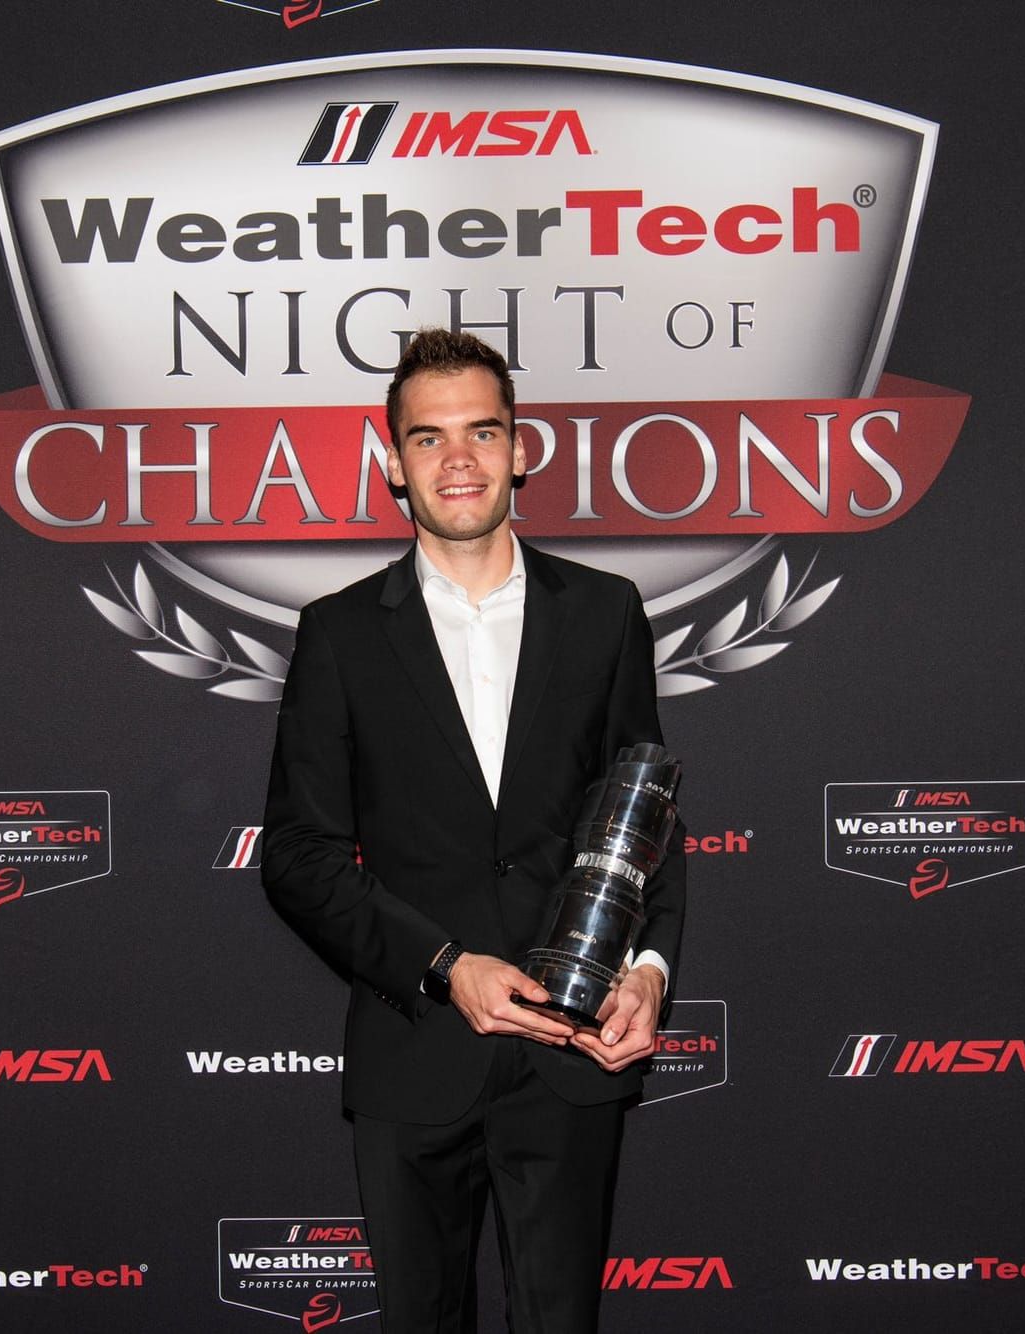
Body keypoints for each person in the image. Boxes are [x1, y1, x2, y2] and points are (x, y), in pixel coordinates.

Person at [262, 327, 686, 1333]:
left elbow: (646, 821)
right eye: (427, 437)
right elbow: (299, 854)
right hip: (415, 1049)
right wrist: (447, 962)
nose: (457, 458)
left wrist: (649, 967)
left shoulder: (605, 613)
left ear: (520, 447)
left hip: (569, 1050)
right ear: (392, 462)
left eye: (481, 431)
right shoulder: (340, 633)